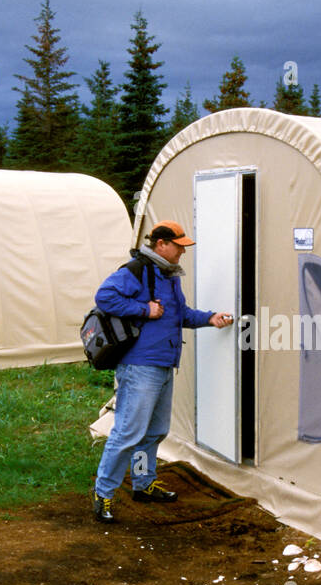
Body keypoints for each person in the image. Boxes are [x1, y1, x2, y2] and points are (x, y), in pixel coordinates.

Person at [91, 220, 233, 523]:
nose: (183, 251)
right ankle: (103, 494)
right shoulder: (137, 270)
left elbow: (179, 314)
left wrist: (210, 318)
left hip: (163, 364)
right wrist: (145, 310)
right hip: (140, 365)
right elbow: (104, 297)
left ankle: (142, 484)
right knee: (128, 431)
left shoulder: (168, 276)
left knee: (155, 431)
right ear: (161, 245)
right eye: (179, 246)